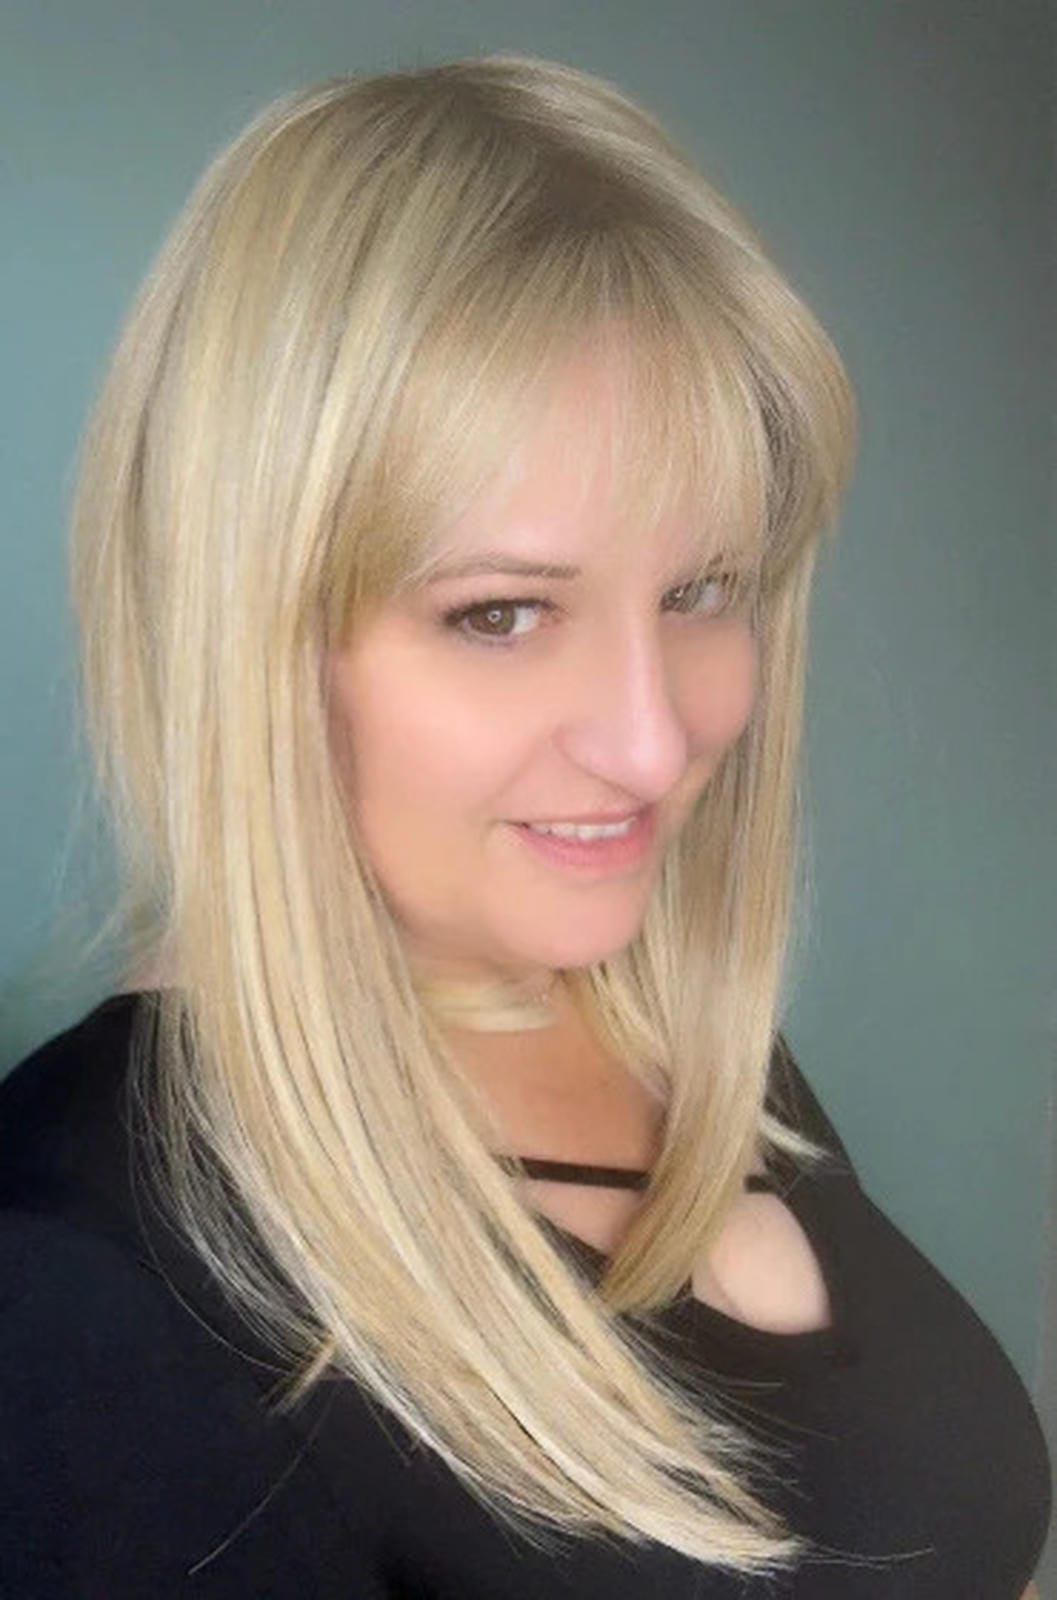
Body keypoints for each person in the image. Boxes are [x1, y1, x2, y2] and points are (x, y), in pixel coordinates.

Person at [0, 54, 1048, 1598]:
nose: (652, 741)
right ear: (244, 639)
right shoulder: (78, 1286)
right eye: (500, 613)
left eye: (700, 591)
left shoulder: (656, 1024)